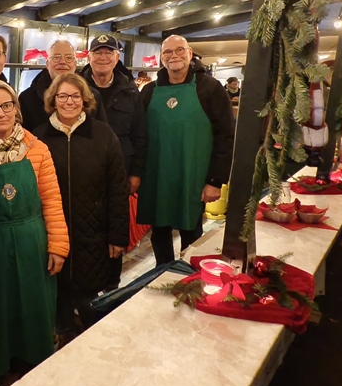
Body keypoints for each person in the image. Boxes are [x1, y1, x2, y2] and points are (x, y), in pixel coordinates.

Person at [0, 79, 69, 383]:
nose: (0, 113)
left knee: (35, 304)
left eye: (6, 105)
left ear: (16, 108)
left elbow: (51, 199)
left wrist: (58, 246)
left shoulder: (37, 149)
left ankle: (35, 363)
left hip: (33, 240)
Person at [33, 73, 128, 346]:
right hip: (54, 231)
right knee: (59, 292)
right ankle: (62, 335)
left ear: (85, 100)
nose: (69, 102)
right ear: (53, 100)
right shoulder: (39, 137)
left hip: (94, 231)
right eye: (62, 96)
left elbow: (117, 188)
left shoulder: (103, 134)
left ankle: (93, 342)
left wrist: (117, 235)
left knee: (90, 298)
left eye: (75, 96)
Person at [138, 35, 235, 265]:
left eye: (179, 50)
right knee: (159, 231)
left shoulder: (210, 88)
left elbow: (225, 136)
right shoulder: (149, 91)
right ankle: (161, 274)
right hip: (157, 176)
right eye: (168, 52)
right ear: (161, 58)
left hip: (193, 176)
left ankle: (190, 279)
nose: (174, 56)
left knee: (191, 232)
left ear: (190, 53)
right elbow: (139, 136)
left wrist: (215, 180)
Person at [79, 34, 147, 195]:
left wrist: (136, 173)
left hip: (121, 169)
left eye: (109, 52)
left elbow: (140, 135)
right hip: (83, 168)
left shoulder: (130, 91)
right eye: (97, 53)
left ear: (117, 58)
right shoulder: (77, 89)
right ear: (89, 57)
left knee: (117, 216)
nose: (103, 57)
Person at [19, 39, 107, 131]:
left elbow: (102, 134)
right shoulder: (27, 99)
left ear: (75, 64)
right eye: (56, 57)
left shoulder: (92, 96)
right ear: (47, 64)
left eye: (68, 58)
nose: (62, 62)